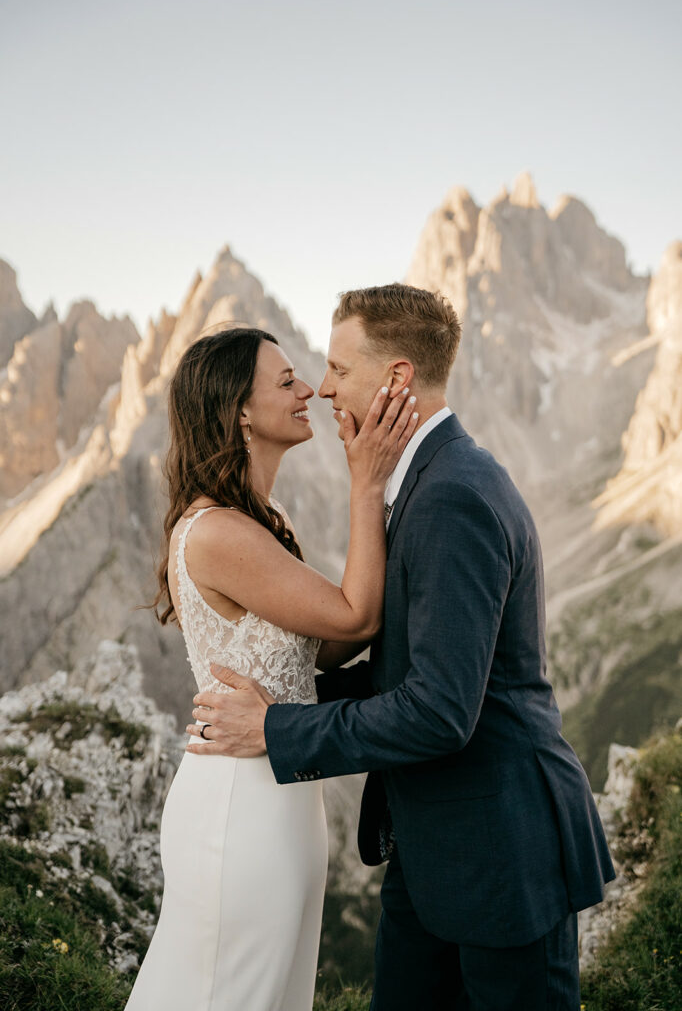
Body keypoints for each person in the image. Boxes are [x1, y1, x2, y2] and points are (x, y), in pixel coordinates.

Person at [187, 285, 616, 1011]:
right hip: (429, 850)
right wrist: (279, 695)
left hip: (501, 855)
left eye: (337, 370)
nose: (322, 389)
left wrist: (275, 727)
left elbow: (440, 710)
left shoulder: (452, 494)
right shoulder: (422, 479)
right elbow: (402, 669)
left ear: (396, 380)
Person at [125, 326, 419, 1011]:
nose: (308, 390)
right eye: (285, 380)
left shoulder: (261, 518)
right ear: (240, 411)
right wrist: (367, 480)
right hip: (239, 803)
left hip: (282, 793)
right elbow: (354, 618)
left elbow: (321, 645)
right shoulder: (220, 532)